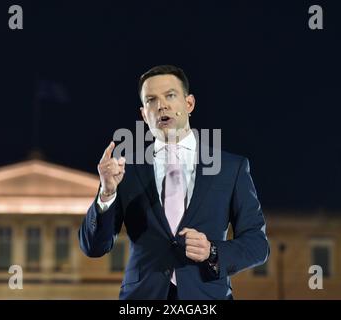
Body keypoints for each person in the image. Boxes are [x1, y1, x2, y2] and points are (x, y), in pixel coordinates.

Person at [78, 65, 269, 300]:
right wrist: (107, 193)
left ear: (189, 104)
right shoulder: (125, 171)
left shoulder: (231, 168)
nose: (161, 105)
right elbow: (94, 247)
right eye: (151, 100)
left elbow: (257, 245)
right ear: (143, 114)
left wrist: (212, 251)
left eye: (170, 95)